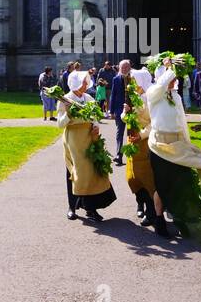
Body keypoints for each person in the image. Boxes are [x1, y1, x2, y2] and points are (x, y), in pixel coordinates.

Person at [147, 58, 201, 237]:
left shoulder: (176, 96)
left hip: (178, 144)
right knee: (162, 186)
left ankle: (180, 220)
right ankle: (159, 221)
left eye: (174, 78)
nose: (174, 81)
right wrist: (170, 66)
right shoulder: (153, 93)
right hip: (160, 145)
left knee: (180, 183)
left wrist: (187, 144)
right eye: (171, 78)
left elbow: (181, 122)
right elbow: (162, 82)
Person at [58, 69, 116, 222]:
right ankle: (72, 207)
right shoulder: (65, 99)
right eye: (83, 82)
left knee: (90, 172)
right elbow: (59, 123)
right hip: (73, 140)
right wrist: (69, 114)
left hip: (89, 137)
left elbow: (94, 115)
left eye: (86, 82)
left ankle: (91, 209)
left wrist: (96, 127)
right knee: (74, 173)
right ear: (75, 83)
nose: (86, 84)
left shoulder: (88, 97)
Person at [123, 66, 160, 229]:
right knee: (134, 177)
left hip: (146, 142)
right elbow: (125, 118)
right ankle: (143, 207)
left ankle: (152, 213)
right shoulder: (132, 97)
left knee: (148, 178)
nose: (132, 85)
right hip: (133, 141)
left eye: (135, 82)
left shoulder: (150, 99)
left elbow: (154, 123)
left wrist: (142, 135)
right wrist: (125, 112)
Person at [108, 59, 135, 165]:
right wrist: (111, 110)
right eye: (122, 67)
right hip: (119, 111)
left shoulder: (134, 79)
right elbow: (113, 95)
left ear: (129, 68)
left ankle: (133, 155)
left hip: (132, 111)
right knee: (119, 132)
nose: (124, 69)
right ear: (119, 68)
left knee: (132, 132)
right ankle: (119, 155)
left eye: (126, 67)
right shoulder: (116, 79)